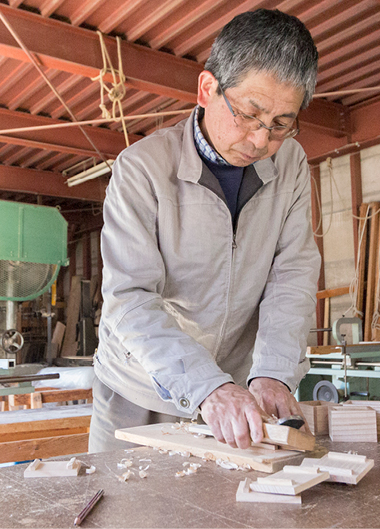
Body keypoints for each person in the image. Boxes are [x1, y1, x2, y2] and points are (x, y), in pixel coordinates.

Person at [89, 8, 321, 453]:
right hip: (138, 388)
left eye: (280, 125)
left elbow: (291, 274)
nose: (259, 141)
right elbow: (130, 298)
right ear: (207, 88)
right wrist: (206, 387)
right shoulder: (142, 169)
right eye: (249, 114)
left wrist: (272, 371)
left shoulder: (290, 165)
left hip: (238, 394)